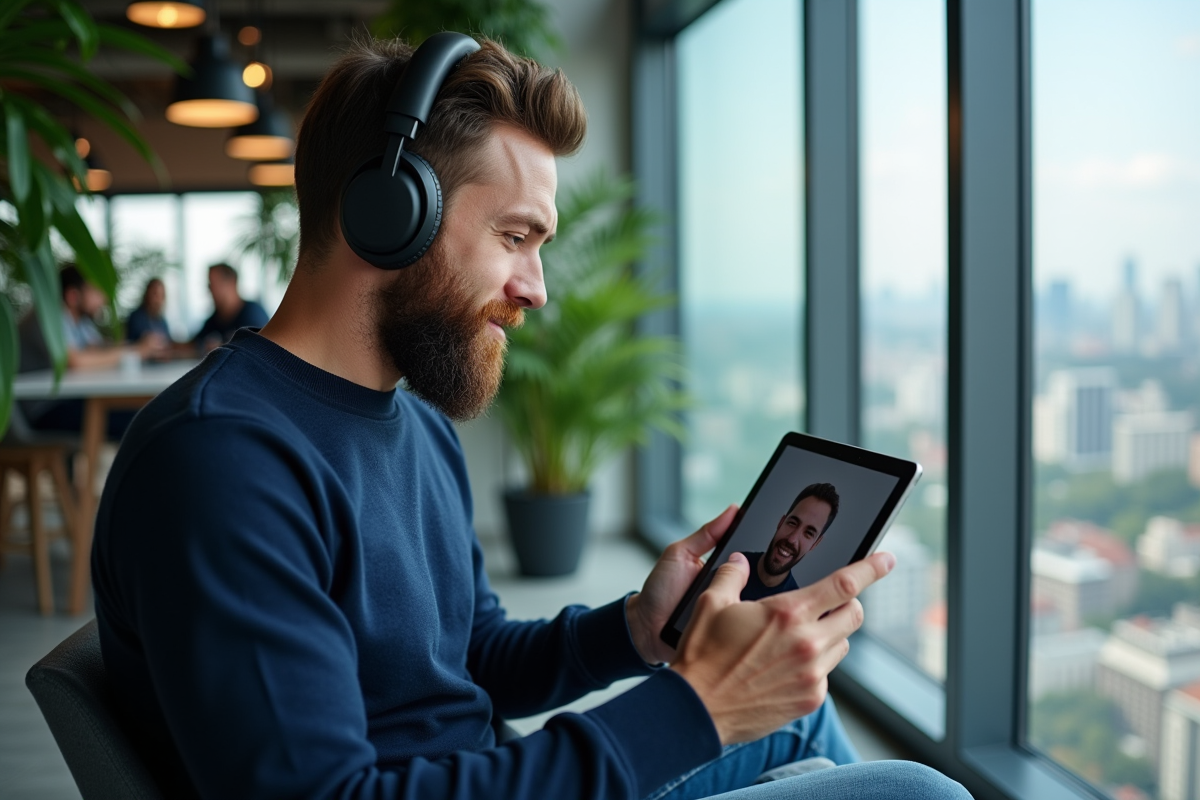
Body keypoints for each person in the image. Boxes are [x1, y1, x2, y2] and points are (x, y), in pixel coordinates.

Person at [91, 35, 971, 800]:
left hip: (489, 771)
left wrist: (633, 631)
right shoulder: (224, 462)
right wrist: (698, 708)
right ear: (390, 215)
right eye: (515, 238)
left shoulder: (416, 423)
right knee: (919, 790)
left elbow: (464, 659)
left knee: (797, 731)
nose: (537, 290)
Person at [17, 265, 165, 438]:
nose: (102, 299)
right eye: (95, 291)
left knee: (141, 412)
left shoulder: (78, 321)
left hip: (67, 400)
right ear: (73, 295)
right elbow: (75, 361)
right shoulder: (48, 317)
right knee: (137, 419)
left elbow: (98, 348)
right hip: (43, 410)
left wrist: (137, 347)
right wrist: (135, 350)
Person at [737, 482, 840, 601]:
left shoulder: (794, 609)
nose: (792, 539)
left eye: (809, 533)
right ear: (781, 522)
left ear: (815, 544)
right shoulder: (732, 566)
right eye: (792, 523)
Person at [191, 262, 268, 350]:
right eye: (209, 286)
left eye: (215, 284)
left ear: (232, 282)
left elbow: (257, 348)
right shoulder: (216, 319)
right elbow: (194, 344)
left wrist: (219, 347)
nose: (211, 290)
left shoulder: (253, 313)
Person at [125, 277, 172, 344]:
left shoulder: (163, 322)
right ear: (147, 294)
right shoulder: (136, 318)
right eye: (155, 294)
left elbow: (168, 343)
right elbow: (129, 345)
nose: (158, 300)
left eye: (161, 295)